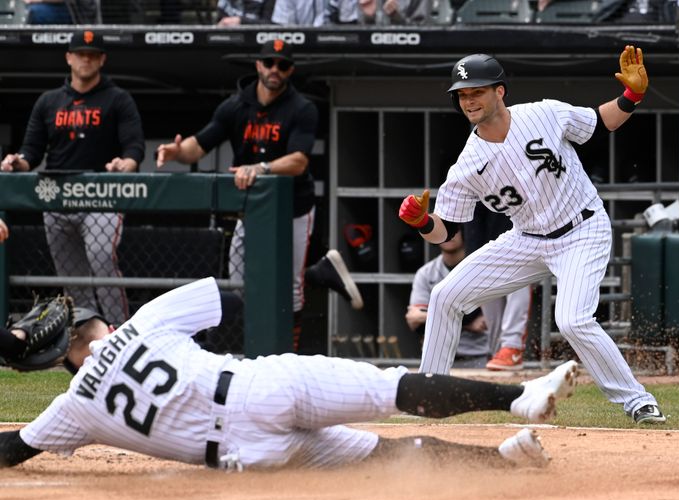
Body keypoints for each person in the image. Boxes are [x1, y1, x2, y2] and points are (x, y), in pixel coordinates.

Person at [0, 277, 579, 471]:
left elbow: (11, 451)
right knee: (390, 389)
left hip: (243, 457)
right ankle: (518, 399)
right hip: (260, 388)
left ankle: (503, 461)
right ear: (80, 328)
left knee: (384, 455)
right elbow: (226, 295)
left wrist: (20, 347)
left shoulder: (72, 408)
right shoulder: (144, 323)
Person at [398, 46, 666, 424]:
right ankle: (428, 397)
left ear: (499, 91)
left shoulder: (544, 113)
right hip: (526, 239)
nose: (469, 100)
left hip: (582, 228)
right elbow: (446, 232)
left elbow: (600, 122)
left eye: (477, 91)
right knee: (444, 296)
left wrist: (632, 96)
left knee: (572, 320)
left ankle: (637, 400)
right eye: (462, 94)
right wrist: (422, 222)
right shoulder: (467, 164)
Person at [156, 39, 362, 350]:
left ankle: (286, 356)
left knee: (291, 287)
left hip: (294, 206)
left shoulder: (300, 107)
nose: (274, 70)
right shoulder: (236, 105)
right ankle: (317, 275)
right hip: (250, 209)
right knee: (241, 281)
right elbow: (198, 145)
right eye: (269, 63)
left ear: (290, 70)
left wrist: (261, 167)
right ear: (258, 66)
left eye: (282, 65)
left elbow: (299, 161)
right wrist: (176, 152)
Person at [0, 31, 145, 327]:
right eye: (80, 53)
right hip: (57, 195)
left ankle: (121, 333)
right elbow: (32, 151)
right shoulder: (49, 101)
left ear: (102, 59)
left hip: (101, 195)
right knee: (71, 277)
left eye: (92, 54)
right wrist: (18, 161)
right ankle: (86, 338)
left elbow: (134, 148)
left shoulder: (118, 98)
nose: (86, 59)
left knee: (102, 259)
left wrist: (125, 164)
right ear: (68, 57)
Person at [406, 227, 492, 369]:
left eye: (455, 229)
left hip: (477, 356)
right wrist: (468, 323)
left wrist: (429, 317)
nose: (449, 234)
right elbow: (414, 321)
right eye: (443, 228)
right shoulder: (426, 273)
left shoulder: (479, 269)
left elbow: (485, 321)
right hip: (437, 357)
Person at [463, 205, 532, 371]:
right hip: (489, 249)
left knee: (518, 286)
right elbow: (473, 222)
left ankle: (512, 346)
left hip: (524, 247)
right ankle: (498, 353)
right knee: (490, 305)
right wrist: (473, 260)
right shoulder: (476, 181)